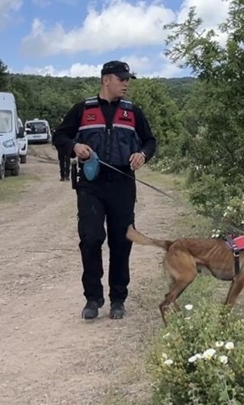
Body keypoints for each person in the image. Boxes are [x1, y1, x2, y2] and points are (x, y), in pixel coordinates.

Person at [52, 60, 157, 320]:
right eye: (121, 79)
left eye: (127, 79)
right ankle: (92, 298)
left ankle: (118, 299)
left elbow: (150, 141)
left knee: (121, 242)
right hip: (91, 183)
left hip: (122, 183)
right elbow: (60, 136)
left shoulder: (133, 112)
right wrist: (74, 147)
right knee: (90, 238)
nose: (126, 83)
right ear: (106, 80)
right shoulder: (82, 109)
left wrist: (142, 155)